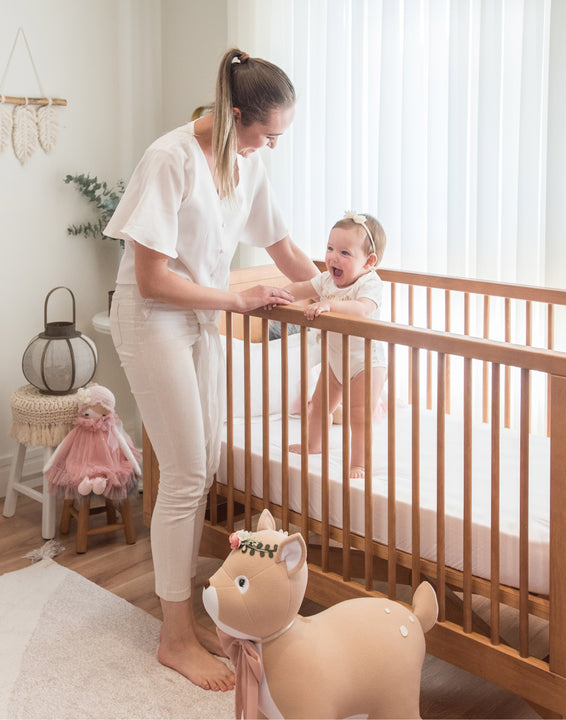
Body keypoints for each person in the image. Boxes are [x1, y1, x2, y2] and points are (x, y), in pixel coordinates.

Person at [105, 48, 319, 692]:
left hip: (198, 320)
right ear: (234, 116)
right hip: (153, 319)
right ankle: (173, 638)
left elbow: (283, 250)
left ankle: (184, 616)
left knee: (206, 465)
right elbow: (151, 280)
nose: (271, 147)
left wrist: (339, 289)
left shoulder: (245, 164)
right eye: (267, 134)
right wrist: (237, 298)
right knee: (187, 470)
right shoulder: (169, 159)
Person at [285, 211, 387, 478]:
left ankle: (359, 463)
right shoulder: (327, 280)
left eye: (344, 252)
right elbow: (301, 288)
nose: (333, 257)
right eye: (330, 248)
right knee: (319, 405)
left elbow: (362, 309)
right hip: (336, 359)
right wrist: (278, 294)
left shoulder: (370, 284)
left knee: (358, 416)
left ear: (369, 261)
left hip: (365, 363)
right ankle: (313, 446)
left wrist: (331, 304)